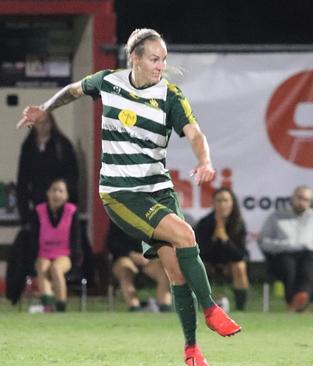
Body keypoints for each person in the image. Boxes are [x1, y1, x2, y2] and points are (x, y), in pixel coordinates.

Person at [17, 28, 240, 366]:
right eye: (154, 58)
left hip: (158, 190)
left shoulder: (170, 96)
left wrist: (205, 159)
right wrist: (45, 108)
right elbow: (74, 90)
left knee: (176, 270)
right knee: (186, 235)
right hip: (120, 193)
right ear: (133, 58)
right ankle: (210, 309)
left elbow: (195, 133)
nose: (160, 65)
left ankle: (192, 351)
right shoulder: (109, 82)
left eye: (164, 59)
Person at [258, 185, 313, 312]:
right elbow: (263, 241)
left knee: (309, 268)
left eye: (306, 200)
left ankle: (300, 299)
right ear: (293, 198)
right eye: (300, 198)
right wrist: (283, 245)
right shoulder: (276, 216)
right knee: (288, 268)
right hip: (284, 254)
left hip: (309, 253)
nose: (302, 202)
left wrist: (309, 245)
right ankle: (300, 304)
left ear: (310, 202)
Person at [17, 112, 78, 226]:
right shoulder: (28, 146)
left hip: (59, 203)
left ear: (52, 124)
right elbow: (23, 180)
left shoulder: (62, 145)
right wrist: (23, 212)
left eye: (46, 122)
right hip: (37, 202)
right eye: (39, 123)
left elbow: (72, 176)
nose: (43, 126)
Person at [196, 187, 250, 311]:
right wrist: (214, 239)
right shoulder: (204, 223)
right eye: (219, 201)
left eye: (226, 201)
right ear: (213, 203)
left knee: (240, 267)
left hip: (230, 263)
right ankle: (200, 307)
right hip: (208, 263)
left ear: (232, 203)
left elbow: (240, 255)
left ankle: (241, 309)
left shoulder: (238, 223)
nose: (222, 204)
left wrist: (225, 240)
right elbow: (200, 252)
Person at [32, 178, 82, 312]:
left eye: (61, 191)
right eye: (53, 190)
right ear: (47, 193)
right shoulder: (39, 211)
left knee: (55, 268)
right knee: (42, 266)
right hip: (44, 253)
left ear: (66, 196)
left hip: (64, 254)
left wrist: (76, 261)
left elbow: (76, 239)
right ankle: (48, 306)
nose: (56, 194)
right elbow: (33, 238)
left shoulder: (72, 212)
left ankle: (60, 306)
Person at [106, 221, 172, 312]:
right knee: (125, 271)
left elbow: (162, 240)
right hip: (125, 256)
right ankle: (135, 308)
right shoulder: (118, 215)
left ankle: (165, 307)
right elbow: (112, 243)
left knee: (165, 271)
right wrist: (131, 254)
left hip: (149, 258)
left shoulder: (153, 215)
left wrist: (150, 254)